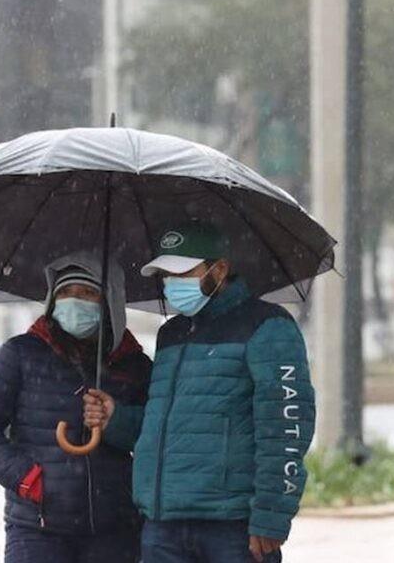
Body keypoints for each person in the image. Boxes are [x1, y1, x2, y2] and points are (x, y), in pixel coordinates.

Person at [83, 224, 315, 563]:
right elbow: (165, 428)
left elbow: (285, 432)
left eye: (182, 273)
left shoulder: (268, 327)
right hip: (163, 528)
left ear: (219, 269)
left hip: (232, 530)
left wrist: (271, 515)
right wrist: (114, 418)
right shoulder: (171, 334)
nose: (171, 283)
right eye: (166, 275)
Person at [0, 252, 151, 563]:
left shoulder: (134, 366)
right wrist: (27, 477)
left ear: (109, 304)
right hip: (38, 528)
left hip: (115, 528)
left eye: (88, 293)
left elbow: (157, 434)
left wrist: (115, 421)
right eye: (65, 293)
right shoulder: (20, 354)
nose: (74, 302)